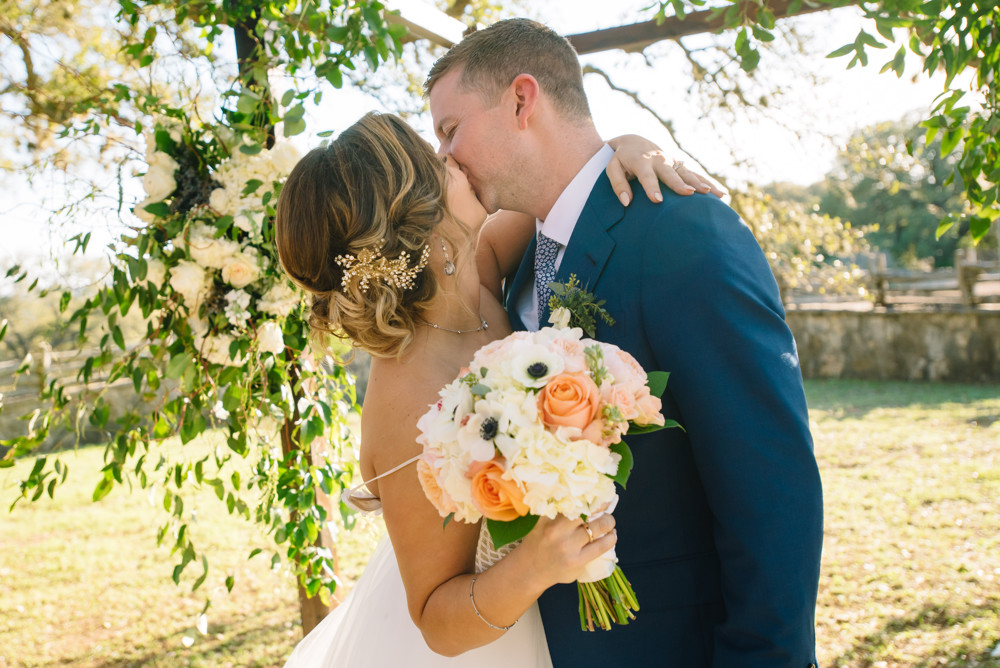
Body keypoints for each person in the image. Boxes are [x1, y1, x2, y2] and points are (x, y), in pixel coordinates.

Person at [425, 18, 824, 668]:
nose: (444, 157)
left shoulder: (684, 235)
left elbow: (773, 490)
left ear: (522, 100)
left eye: (450, 130)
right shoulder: (522, 254)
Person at [275, 112, 712, 667]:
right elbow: (436, 620)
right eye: (437, 163)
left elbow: (564, 190)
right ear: (418, 222)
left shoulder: (468, 270)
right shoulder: (409, 397)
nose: (454, 157)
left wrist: (621, 148)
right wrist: (535, 565)